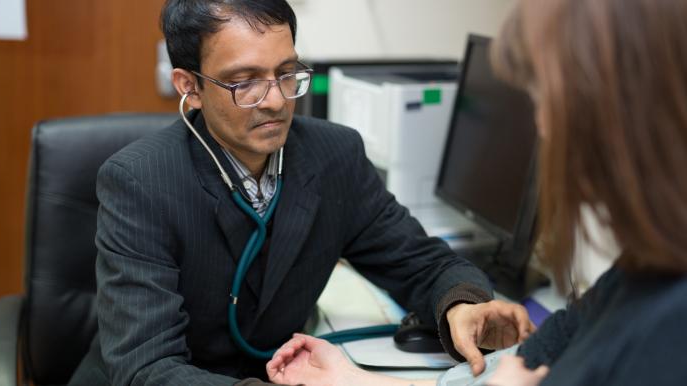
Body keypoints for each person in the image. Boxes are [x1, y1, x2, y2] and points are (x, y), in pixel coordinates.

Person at [67, 1, 533, 385]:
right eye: (244, 82)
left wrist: (462, 304)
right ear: (189, 87)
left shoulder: (334, 157)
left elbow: (422, 263)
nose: (274, 100)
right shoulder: (139, 181)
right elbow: (147, 370)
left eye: (286, 73)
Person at [267, 0, 687, 385]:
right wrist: (352, 380)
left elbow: (421, 264)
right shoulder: (634, 276)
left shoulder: (667, 328)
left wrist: (459, 305)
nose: (543, 128)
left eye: (549, 101)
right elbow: (522, 364)